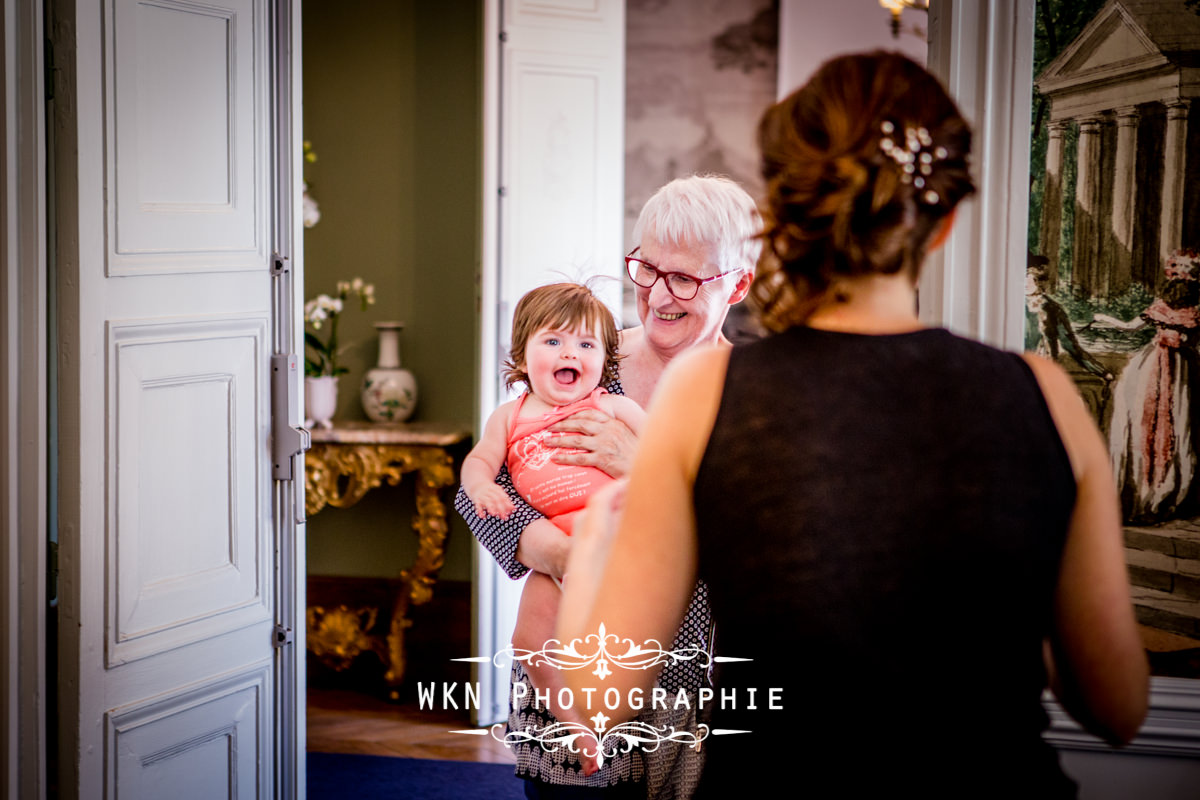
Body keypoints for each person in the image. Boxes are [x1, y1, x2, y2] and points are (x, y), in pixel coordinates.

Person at [558, 52, 1148, 797]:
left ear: (788, 210)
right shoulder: (1045, 396)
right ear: (943, 224)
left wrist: (595, 544)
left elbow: (598, 699)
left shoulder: (707, 393)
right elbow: (1119, 709)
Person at [454, 175, 762, 798]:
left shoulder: (756, 396)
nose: (658, 296)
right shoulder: (587, 359)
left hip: (690, 684)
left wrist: (645, 472)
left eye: (685, 278)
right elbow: (485, 484)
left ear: (739, 284)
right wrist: (550, 550)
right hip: (569, 660)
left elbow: (763, 542)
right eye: (647, 270)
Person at [460, 282, 645, 773]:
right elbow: (478, 463)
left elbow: (668, 459)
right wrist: (481, 487)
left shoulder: (611, 406)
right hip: (554, 549)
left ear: (604, 361)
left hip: (608, 532)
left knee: (603, 643)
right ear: (521, 355)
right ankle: (579, 725)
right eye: (554, 341)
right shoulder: (509, 417)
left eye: (587, 345)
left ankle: (619, 717)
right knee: (529, 642)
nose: (571, 353)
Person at [1094, 248, 1200, 522]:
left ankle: (1163, 494)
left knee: (1176, 423)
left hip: (1171, 369)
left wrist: (1103, 319)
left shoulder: (1170, 308)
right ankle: (1162, 494)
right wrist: (1104, 319)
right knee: (1166, 423)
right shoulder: (1179, 309)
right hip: (1172, 368)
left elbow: (1129, 327)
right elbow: (1131, 326)